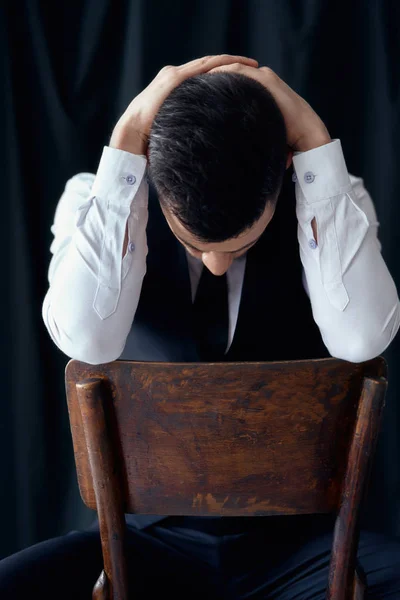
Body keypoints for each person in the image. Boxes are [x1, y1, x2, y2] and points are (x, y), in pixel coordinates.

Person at [1, 54, 399, 598]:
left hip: (302, 547)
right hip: (142, 541)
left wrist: (313, 142)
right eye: (194, 245)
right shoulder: (94, 201)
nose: (215, 264)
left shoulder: (332, 200)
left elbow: (362, 339)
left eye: (242, 244)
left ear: (284, 167)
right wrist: (126, 147)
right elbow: (85, 340)